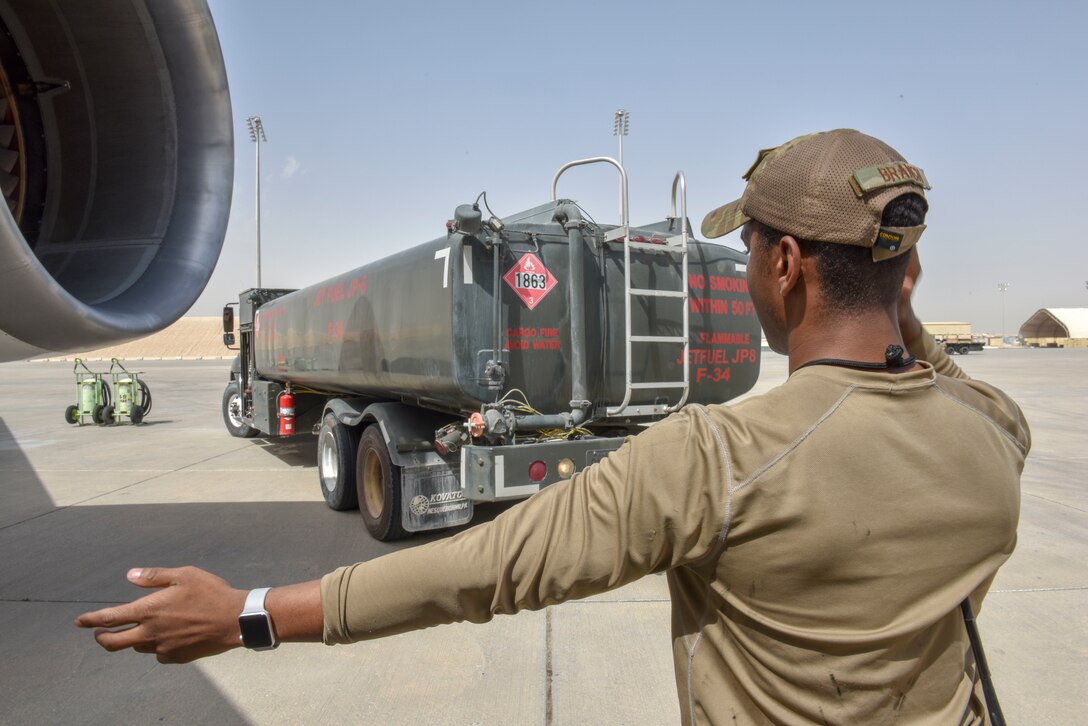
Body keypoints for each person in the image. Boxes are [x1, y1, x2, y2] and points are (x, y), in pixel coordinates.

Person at [76, 129, 1029, 724]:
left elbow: (480, 570)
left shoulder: (721, 461)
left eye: (746, 253)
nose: (739, 274)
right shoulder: (992, 431)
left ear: (787, 267)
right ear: (905, 277)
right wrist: (900, 312)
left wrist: (251, 613)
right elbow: (936, 376)